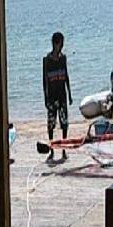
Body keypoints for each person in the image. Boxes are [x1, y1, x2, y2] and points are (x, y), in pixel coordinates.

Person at [42, 32, 73, 164]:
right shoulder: (47, 60)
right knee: (51, 124)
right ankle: (52, 150)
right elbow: (45, 81)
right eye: (61, 43)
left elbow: (66, 76)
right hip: (52, 96)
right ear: (56, 43)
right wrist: (45, 98)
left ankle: (64, 149)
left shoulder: (63, 58)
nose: (62, 46)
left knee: (64, 123)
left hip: (62, 95)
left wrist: (69, 93)